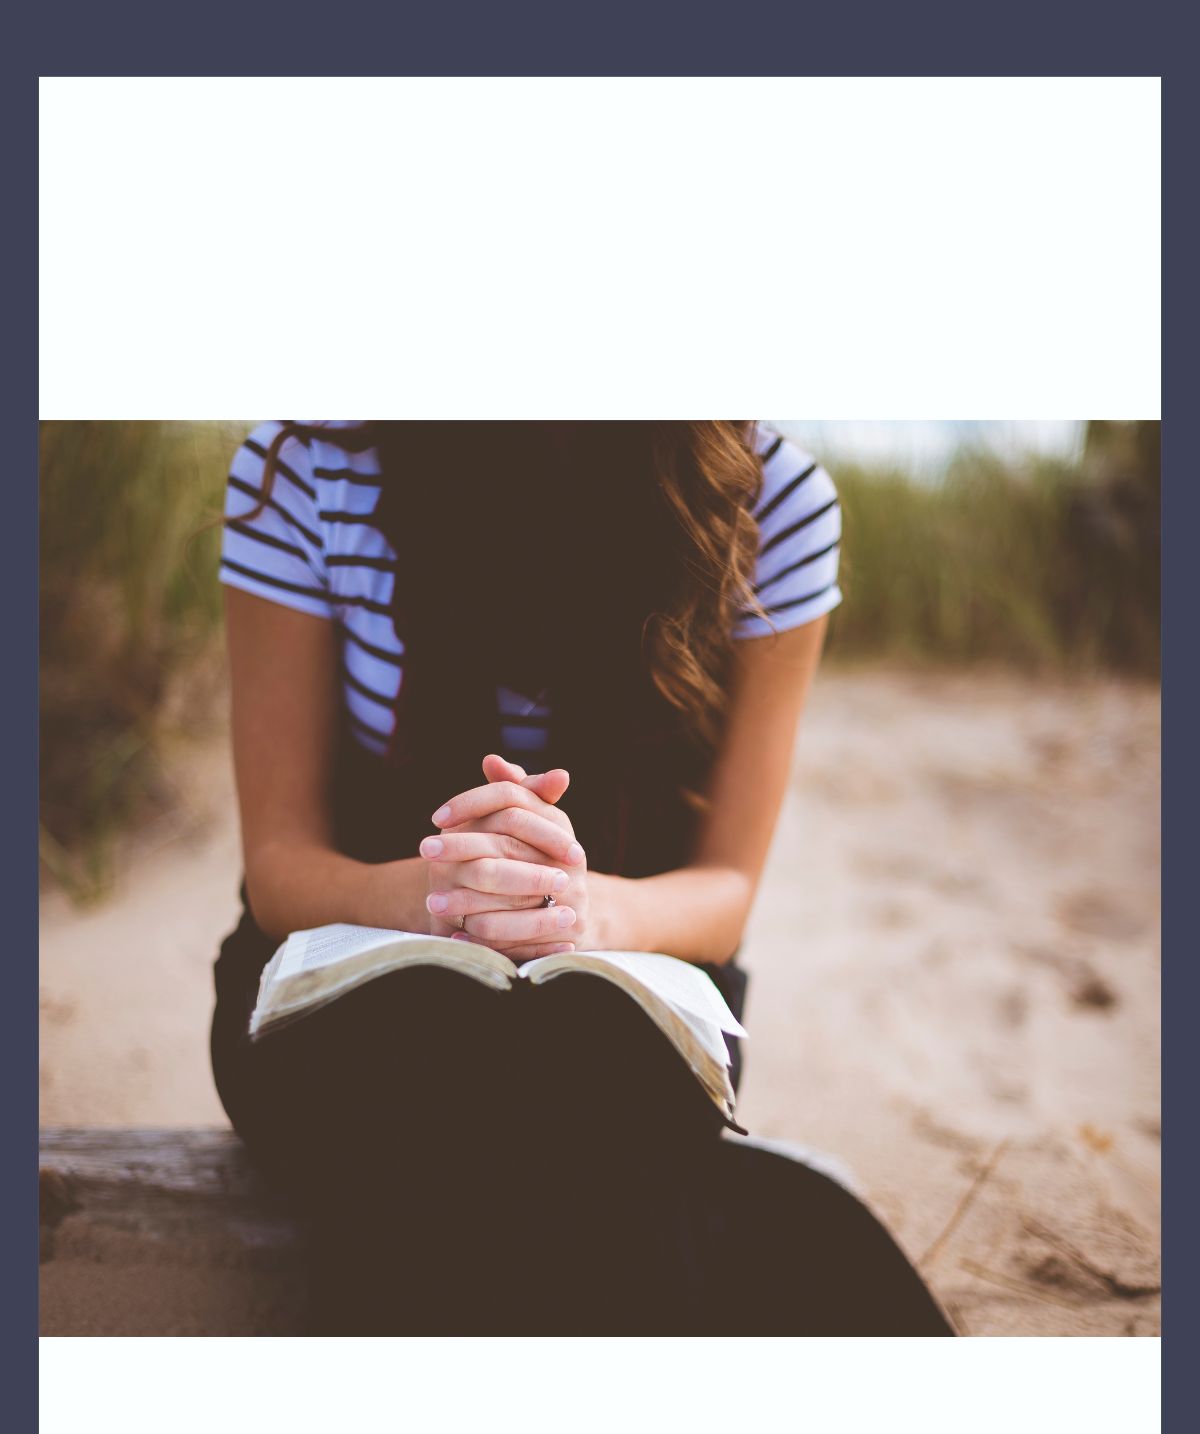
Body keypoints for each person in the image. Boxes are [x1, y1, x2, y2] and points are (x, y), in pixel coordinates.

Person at [211, 420, 951, 1335]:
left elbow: (725, 890)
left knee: (589, 1079)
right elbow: (280, 867)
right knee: (434, 1086)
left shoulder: (773, 503)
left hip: (633, 985)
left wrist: (578, 910)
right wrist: (445, 895)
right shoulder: (314, 465)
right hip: (341, 974)